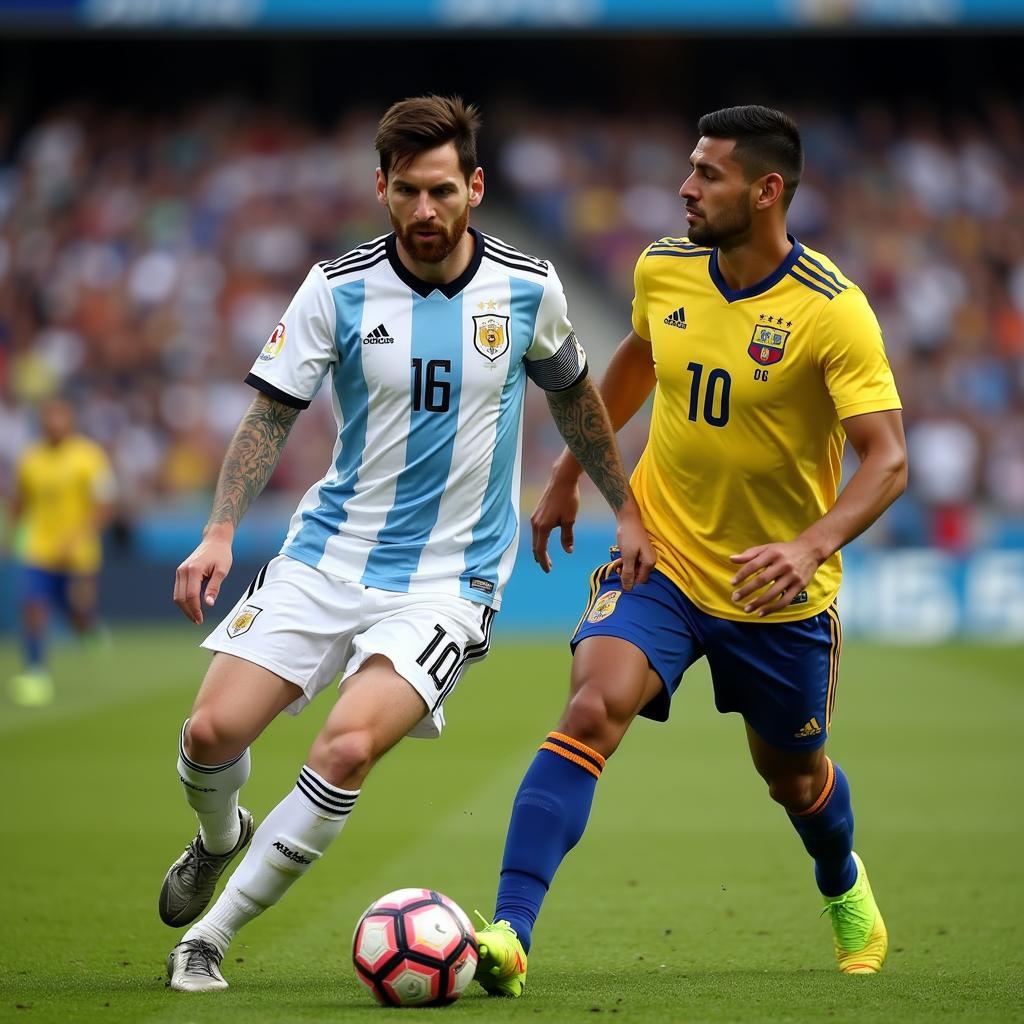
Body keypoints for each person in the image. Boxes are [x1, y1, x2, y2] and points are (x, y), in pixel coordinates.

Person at [160, 94, 655, 993]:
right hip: (328, 556)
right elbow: (273, 413)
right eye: (405, 193)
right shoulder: (336, 288)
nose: (424, 213)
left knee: (344, 750)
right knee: (207, 732)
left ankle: (211, 937)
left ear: (473, 186)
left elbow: (576, 398)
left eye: (441, 191)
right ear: (380, 189)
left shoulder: (528, 288)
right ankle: (218, 835)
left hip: (449, 582)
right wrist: (219, 530)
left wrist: (621, 504)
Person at [473, 105, 907, 996]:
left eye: (707, 173)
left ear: (766, 189)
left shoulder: (833, 312)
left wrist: (811, 543)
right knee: (592, 708)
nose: (685, 187)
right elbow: (638, 362)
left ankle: (840, 880)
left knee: (792, 778)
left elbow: (889, 459)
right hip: (660, 557)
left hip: (774, 593)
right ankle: (510, 933)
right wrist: (565, 472)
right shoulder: (663, 268)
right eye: (690, 169)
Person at [5, 396, 115, 707]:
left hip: (77, 553)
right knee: (33, 606)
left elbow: (104, 504)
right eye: (49, 417)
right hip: (38, 548)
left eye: (60, 416)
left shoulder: (88, 456)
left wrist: (77, 537)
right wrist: (12, 536)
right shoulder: (30, 459)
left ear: (70, 420)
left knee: (77, 612)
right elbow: (19, 502)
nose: (54, 423)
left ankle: (88, 630)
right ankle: (35, 673)